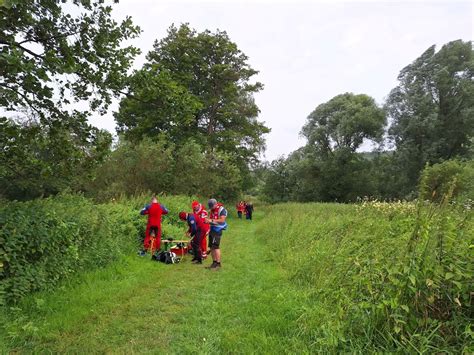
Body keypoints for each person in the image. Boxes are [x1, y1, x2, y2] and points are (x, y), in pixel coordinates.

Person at [205, 198, 228, 270]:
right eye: (210, 207)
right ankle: (214, 263)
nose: (211, 208)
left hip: (217, 230)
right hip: (212, 229)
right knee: (211, 247)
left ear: (215, 204)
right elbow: (211, 218)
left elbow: (222, 220)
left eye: (212, 206)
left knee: (216, 247)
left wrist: (211, 220)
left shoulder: (222, 210)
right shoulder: (212, 209)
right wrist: (207, 221)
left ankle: (218, 264)